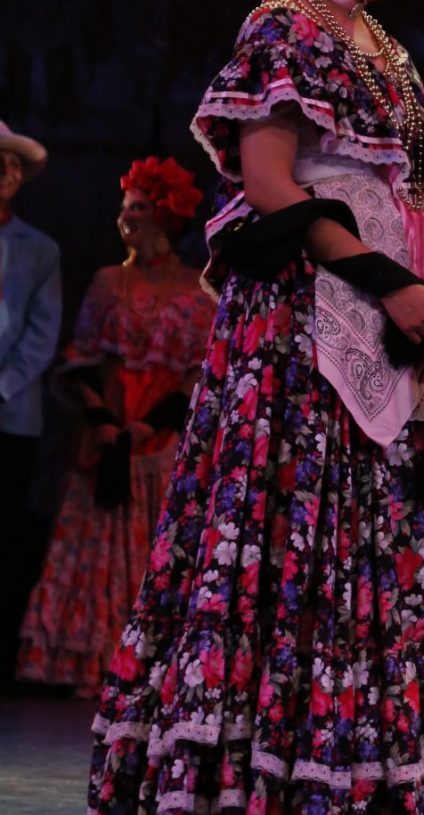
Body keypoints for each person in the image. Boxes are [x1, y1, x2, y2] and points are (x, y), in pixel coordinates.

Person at [85, 1, 424, 813]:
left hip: (386, 329)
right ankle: (265, 764)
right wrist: (387, 282)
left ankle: (372, 761)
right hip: (302, 321)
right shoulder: (283, 26)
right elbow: (268, 184)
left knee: (383, 537)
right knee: (293, 520)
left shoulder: (391, 50)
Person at [16, 157, 214, 698]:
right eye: (125, 207)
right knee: (93, 552)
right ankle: (90, 662)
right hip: (107, 439)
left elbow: (198, 372)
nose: (127, 217)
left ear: (165, 214)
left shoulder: (194, 289)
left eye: (139, 207)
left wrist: (149, 425)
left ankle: (147, 668)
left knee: (155, 552)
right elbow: (79, 359)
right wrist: (104, 420)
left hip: (160, 444)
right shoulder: (108, 281)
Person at [0, 119, 62, 686]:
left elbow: (41, 336)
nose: (9, 171)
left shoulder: (38, 250)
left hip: (11, 417)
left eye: (14, 163)